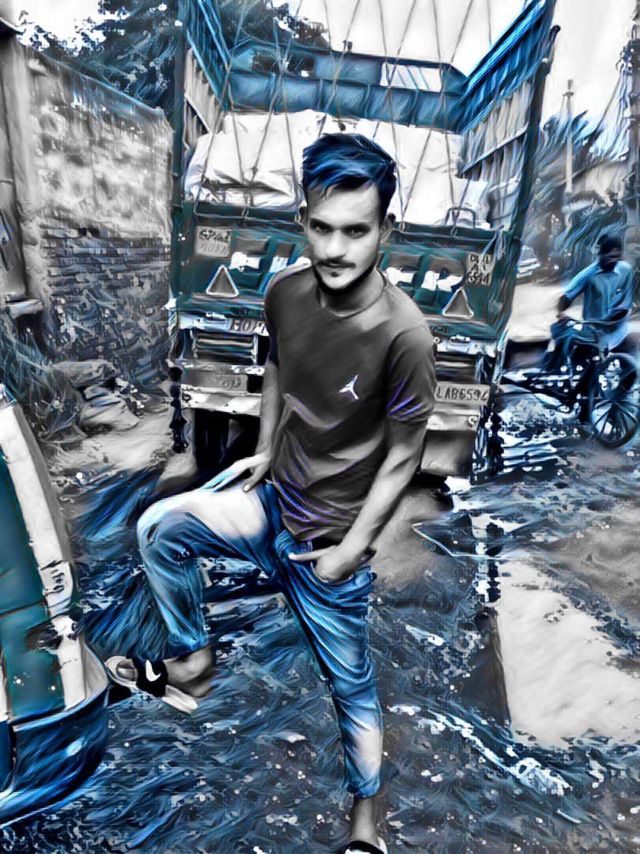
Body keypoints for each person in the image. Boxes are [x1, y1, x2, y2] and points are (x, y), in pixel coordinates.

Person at [107, 133, 436, 853]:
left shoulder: (405, 336)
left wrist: (351, 551)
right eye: (322, 227)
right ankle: (193, 663)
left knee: (351, 689)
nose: (336, 249)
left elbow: (403, 457)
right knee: (161, 527)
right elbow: (281, 367)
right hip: (270, 507)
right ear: (301, 219)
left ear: (387, 229)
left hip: (328, 547)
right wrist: (262, 449)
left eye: (356, 231)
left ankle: (366, 827)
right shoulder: (284, 291)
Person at [546, 232, 635, 373]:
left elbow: (625, 302)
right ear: (600, 254)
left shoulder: (626, 270)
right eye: (609, 257)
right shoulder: (589, 275)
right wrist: (561, 313)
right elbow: (566, 297)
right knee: (569, 347)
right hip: (592, 331)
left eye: (616, 257)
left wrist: (614, 318)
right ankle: (557, 370)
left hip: (618, 330)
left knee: (630, 368)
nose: (612, 261)